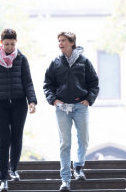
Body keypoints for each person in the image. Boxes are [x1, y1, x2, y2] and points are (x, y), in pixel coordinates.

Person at [0, 28, 37, 192]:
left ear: (16, 43)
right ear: (1, 43)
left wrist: (32, 101)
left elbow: (28, 82)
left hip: (19, 103)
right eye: (6, 44)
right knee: (3, 139)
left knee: (16, 137)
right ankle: (3, 178)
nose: (9, 47)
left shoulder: (21, 59)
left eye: (12, 44)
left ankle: (14, 170)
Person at [44, 31, 99, 192]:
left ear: (72, 43)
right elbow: (48, 84)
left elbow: (94, 82)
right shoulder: (55, 63)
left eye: (63, 41)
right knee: (65, 144)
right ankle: (65, 180)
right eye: (59, 41)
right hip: (62, 108)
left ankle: (79, 166)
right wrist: (53, 100)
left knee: (83, 138)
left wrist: (89, 99)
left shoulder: (84, 62)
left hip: (80, 106)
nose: (60, 43)